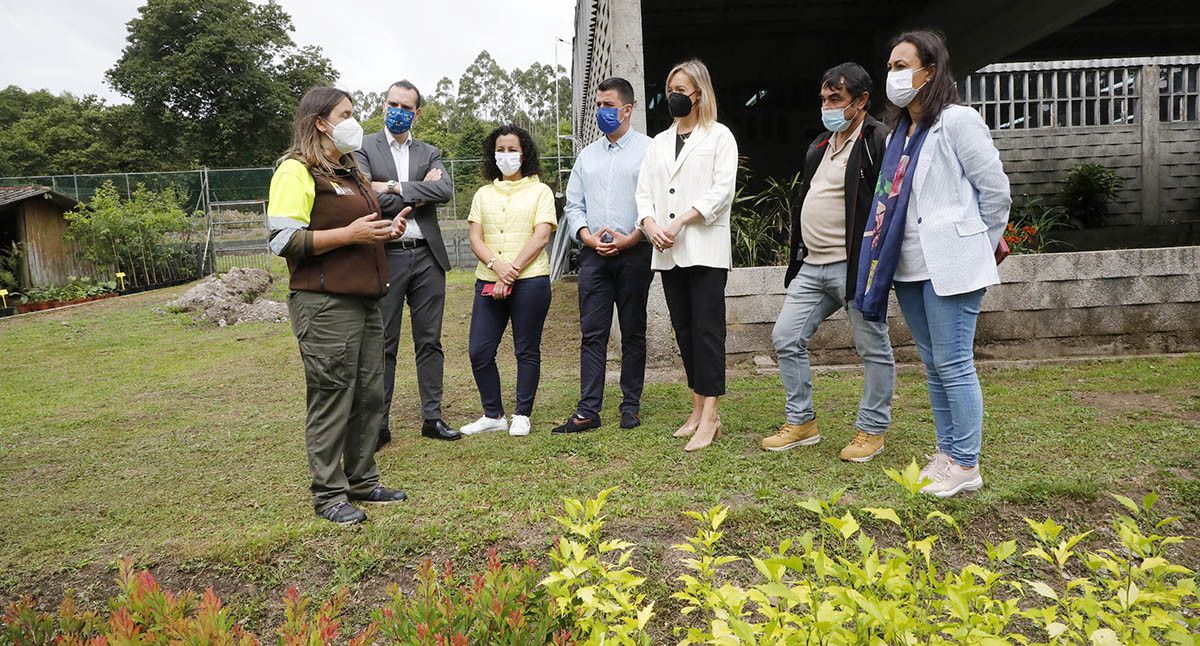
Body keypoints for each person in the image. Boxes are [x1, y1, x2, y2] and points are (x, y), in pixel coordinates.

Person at [855, 30, 1011, 497]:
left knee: (955, 362)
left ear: (930, 70)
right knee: (933, 363)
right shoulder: (902, 132)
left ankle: (966, 463)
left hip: (953, 264)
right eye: (890, 67)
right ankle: (946, 453)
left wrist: (980, 244)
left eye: (902, 66)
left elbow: (995, 191)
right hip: (907, 267)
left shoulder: (958, 121)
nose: (894, 75)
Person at [267, 86, 411, 526]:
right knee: (333, 396)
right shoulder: (295, 172)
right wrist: (350, 236)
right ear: (320, 122)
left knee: (369, 395)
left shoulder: (347, 171)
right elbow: (282, 240)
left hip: (366, 301)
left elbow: (358, 227)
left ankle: (362, 479)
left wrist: (385, 231)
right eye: (346, 113)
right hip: (325, 305)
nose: (354, 120)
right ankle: (329, 494)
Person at [763, 63, 895, 462]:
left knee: (873, 348)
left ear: (861, 101)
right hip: (813, 265)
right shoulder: (821, 144)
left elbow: (890, 202)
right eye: (823, 99)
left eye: (835, 99)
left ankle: (871, 431)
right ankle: (801, 422)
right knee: (786, 337)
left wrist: (878, 260)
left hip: (853, 266)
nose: (827, 106)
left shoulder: (878, 140)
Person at [635, 59, 738, 452]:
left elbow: (721, 191)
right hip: (667, 250)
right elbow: (644, 192)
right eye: (670, 88)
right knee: (685, 331)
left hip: (704, 249)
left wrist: (679, 223)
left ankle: (710, 416)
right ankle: (697, 409)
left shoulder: (719, 136)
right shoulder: (658, 142)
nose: (674, 96)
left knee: (708, 332)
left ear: (699, 93)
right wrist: (650, 224)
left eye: (682, 89)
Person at [353, 80, 460, 448]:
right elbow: (366, 198)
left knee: (429, 341)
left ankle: (433, 418)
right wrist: (415, 189)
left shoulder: (429, 151)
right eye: (391, 103)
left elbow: (444, 191)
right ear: (383, 105)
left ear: (418, 112)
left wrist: (393, 187)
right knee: (383, 342)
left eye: (405, 106)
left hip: (427, 257)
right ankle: (378, 424)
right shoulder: (364, 146)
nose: (397, 110)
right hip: (386, 255)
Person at [552, 77, 654, 434]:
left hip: (635, 254)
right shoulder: (586, 156)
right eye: (598, 105)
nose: (601, 111)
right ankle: (588, 410)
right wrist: (586, 237)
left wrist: (634, 237)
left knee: (633, 332)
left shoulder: (649, 150)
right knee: (592, 333)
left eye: (608, 106)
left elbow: (655, 201)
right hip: (594, 256)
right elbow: (573, 204)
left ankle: (631, 405)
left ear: (627, 110)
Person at [459, 125, 557, 438]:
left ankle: (522, 414)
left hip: (530, 280)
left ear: (524, 153)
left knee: (526, 349)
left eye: (512, 149)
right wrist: (496, 266)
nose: (506, 155)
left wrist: (511, 270)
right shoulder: (483, 194)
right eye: (500, 150)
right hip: (488, 279)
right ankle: (493, 414)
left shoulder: (540, 191)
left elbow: (541, 235)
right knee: (479, 351)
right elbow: (476, 237)